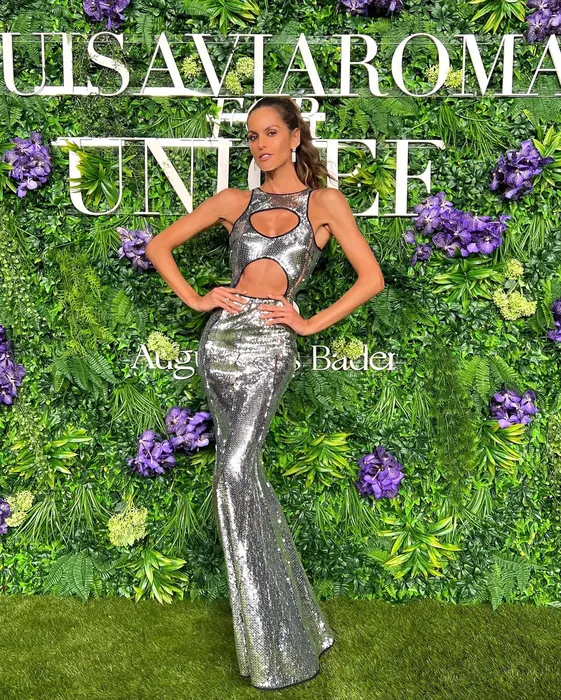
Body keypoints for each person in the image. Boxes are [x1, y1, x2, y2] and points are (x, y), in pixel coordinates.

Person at [145, 96, 385, 689]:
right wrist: (199, 298)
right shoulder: (235, 201)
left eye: (271, 132)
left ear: (296, 135)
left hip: (271, 346)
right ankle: (296, 622)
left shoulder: (324, 204)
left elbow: (371, 278)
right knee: (243, 475)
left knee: (233, 473)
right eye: (252, 136)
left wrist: (307, 322)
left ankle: (276, 642)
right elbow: (158, 247)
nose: (261, 145)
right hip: (221, 343)